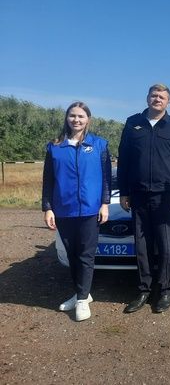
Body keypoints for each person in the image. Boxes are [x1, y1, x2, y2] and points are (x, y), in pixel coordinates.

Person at [118, 83, 170, 313]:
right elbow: (124, 159)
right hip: (138, 194)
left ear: (168, 102)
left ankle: (166, 290)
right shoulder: (132, 123)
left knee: (167, 246)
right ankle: (144, 289)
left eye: (162, 97)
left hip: (166, 195)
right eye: (154, 95)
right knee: (142, 244)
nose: (157, 99)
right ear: (147, 98)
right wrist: (124, 191)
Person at [42, 101, 111, 321]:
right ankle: (81, 293)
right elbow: (48, 181)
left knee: (86, 255)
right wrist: (48, 208)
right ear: (67, 118)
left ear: (88, 119)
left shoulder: (99, 145)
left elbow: (107, 178)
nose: (76, 120)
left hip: (90, 210)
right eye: (72, 116)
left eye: (81, 116)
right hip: (63, 210)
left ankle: (82, 300)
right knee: (72, 255)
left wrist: (105, 203)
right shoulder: (55, 146)